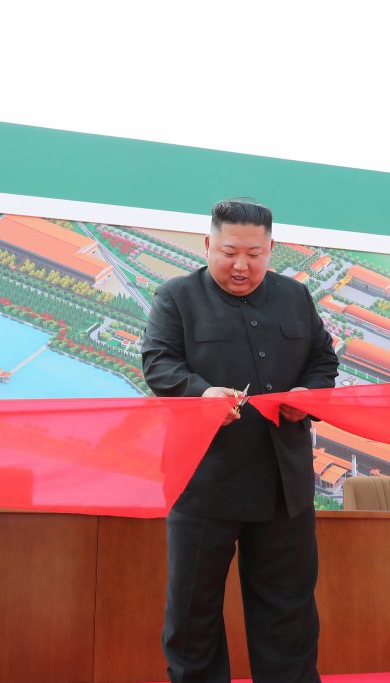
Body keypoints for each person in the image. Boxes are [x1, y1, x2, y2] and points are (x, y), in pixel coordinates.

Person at [142, 199, 339, 683]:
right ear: (208, 244)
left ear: (271, 250)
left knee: (288, 613)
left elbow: (322, 360)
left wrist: (307, 395)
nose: (241, 265)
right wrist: (201, 393)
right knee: (194, 614)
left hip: (283, 486)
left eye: (255, 254)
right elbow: (158, 363)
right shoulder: (176, 297)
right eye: (230, 252)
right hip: (204, 482)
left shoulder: (295, 297)